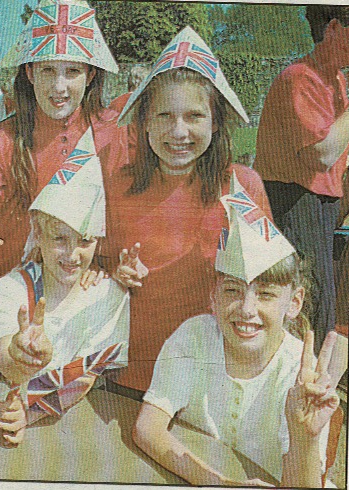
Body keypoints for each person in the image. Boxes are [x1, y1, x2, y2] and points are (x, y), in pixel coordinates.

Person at [133, 175, 340, 487]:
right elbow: (148, 428)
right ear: (213, 296)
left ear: (295, 301)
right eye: (233, 290)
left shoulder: (299, 374)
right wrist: (222, 484)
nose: (246, 309)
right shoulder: (194, 337)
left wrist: (304, 437)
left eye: (266, 294)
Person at [101, 26, 271, 393]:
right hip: (129, 377)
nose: (178, 131)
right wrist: (112, 274)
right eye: (163, 116)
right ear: (144, 122)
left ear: (216, 121)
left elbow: (268, 282)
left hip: (212, 378)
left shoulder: (242, 186)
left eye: (194, 116)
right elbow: (85, 267)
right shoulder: (116, 186)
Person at [0, 0, 127, 281]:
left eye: (72, 71)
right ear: (30, 73)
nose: (59, 87)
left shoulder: (110, 132)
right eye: (47, 70)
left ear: (91, 75)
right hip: (12, 288)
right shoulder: (5, 137)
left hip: (81, 286)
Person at [0, 137, 130, 444]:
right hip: (10, 414)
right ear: (37, 233)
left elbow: (88, 377)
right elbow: (5, 361)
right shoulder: (10, 289)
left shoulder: (111, 295)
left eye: (85, 241)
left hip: (81, 429)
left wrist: (32, 411)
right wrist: (19, 351)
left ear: (99, 241)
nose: (72, 255)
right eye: (59, 239)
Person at [253, 5, 349, 350]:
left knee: (322, 297)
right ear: (335, 27)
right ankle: (300, 382)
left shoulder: (335, 79)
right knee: (308, 298)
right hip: (293, 201)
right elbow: (322, 154)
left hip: (319, 203)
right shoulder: (301, 77)